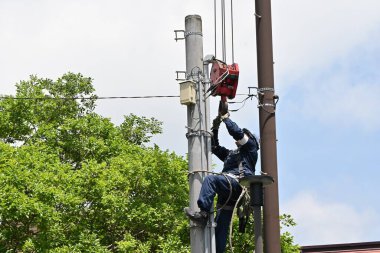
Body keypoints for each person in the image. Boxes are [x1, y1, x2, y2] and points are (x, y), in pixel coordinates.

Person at [184, 111, 259, 253]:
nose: (243, 135)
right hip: (229, 189)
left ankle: (203, 213)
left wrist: (226, 119)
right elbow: (215, 147)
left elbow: (237, 133)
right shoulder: (233, 154)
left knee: (211, 180)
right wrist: (215, 128)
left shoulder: (251, 148)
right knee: (221, 224)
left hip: (237, 184)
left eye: (246, 135)